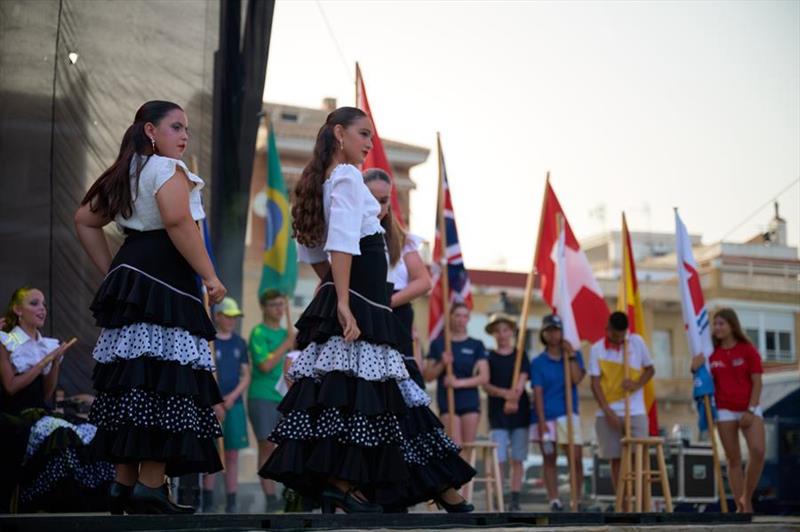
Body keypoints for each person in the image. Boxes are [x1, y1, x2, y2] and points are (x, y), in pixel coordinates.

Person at [74, 100, 227, 515]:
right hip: (165, 277)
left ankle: (124, 486)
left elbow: (85, 219)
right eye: (176, 127)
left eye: (187, 129)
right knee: (165, 380)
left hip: (133, 274)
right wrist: (210, 277)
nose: (184, 135)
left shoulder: (128, 171)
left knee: (134, 381)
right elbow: (178, 222)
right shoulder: (165, 169)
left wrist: (114, 270)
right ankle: (151, 484)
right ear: (149, 131)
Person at [258, 107, 412, 514]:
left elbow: (310, 248)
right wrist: (344, 300)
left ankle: (341, 485)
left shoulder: (321, 182)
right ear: (339, 133)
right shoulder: (345, 176)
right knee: (358, 396)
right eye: (363, 134)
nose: (369, 143)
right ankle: (343, 485)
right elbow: (340, 241)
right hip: (360, 301)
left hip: (354, 295)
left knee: (344, 395)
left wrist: (335, 288)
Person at [364, 168, 474, 513]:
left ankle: (441, 486)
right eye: (371, 199)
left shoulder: (399, 238)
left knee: (412, 414)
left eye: (384, 200)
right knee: (372, 417)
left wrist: (385, 302)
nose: (378, 206)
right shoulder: (346, 233)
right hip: (362, 328)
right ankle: (379, 494)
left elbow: (423, 281)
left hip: (393, 323)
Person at [0, 287, 114, 512]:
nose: (42, 309)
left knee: (90, 432)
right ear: (17, 310)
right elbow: (11, 387)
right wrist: (44, 362)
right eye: (34, 303)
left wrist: (56, 363)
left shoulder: (47, 344)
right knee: (61, 435)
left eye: (43, 304)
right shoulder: (5, 341)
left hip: (41, 411)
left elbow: (46, 394)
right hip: (16, 415)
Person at [691, 308, 764, 513]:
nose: (717, 328)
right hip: (724, 410)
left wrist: (751, 410)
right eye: (715, 324)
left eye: (721, 323)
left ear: (732, 325)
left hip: (749, 407)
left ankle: (746, 496)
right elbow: (701, 381)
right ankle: (743, 507)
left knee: (758, 451)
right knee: (733, 458)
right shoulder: (711, 353)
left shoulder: (748, 349)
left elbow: (757, 382)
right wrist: (694, 367)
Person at [588, 311, 654, 506]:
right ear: (607, 329)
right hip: (607, 412)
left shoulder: (637, 342)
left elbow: (650, 369)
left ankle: (642, 504)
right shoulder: (596, 349)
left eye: (621, 336)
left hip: (635, 411)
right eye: (615, 336)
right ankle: (623, 505)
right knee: (616, 459)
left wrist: (636, 384)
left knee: (639, 457)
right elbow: (595, 384)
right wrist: (608, 413)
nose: (618, 340)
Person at [529, 314, 586, 512]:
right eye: (550, 330)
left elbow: (577, 379)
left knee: (576, 459)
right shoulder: (538, 362)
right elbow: (537, 392)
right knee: (549, 459)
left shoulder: (574, 354)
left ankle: (576, 500)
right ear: (544, 334)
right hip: (546, 417)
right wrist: (542, 420)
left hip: (569, 415)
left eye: (557, 330)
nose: (554, 335)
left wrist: (570, 356)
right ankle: (554, 499)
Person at [202, 297, 251, 513]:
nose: (232, 321)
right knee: (211, 453)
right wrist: (216, 402)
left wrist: (231, 398)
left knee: (232, 454)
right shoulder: (210, 341)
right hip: (212, 406)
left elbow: (246, 375)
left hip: (235, 404)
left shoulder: (240, 342)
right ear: (218, 316)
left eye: (234, 317)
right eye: (228, 316)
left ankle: (231, 501)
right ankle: (208, 501)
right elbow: (206, 375)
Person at [248, 289, 294, 512]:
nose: (278, 309)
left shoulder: (289, 335)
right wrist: (286, 345)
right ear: (264, 308)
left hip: (285, 398)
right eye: (274, 305)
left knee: (285, 447)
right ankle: (270, 498)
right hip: (262, 396)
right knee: (266, 445)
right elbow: (265, 365)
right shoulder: (258, 333)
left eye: (281, 304)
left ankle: (287, 494)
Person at [482, 312, 530, 512]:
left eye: (505, 330)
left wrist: (515, 396)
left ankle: (515, 498)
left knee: (517, 457)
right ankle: (498, 496)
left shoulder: (520, 355)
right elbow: (485, 384)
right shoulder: (488, 356)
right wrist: (505, 394)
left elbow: (522, 377)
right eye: (497, 331)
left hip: (520, 410)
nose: (502, 335)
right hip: (497, 412)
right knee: (499, 457)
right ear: (493, 334)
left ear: (511, 332)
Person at [424, 303, 490, 449]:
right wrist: (442, 362)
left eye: (465, 316)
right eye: (458, 315)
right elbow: (428, 376)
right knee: (453, 448)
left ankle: (467, 473)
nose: (461, 320)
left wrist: (458, 383)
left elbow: (484, 377)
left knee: (467, 447)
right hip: (448, 402)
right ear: (450, 317)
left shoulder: (476, 345)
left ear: (469, 319)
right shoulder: (439, 344)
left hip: (470, 402)